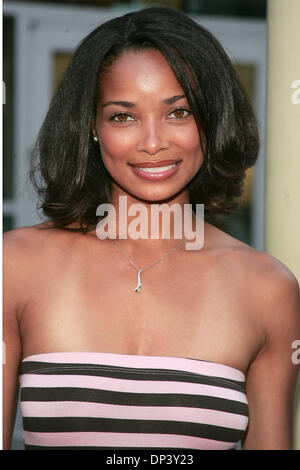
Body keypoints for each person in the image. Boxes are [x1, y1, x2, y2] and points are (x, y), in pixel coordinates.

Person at [3, 6, 300, 451]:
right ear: (92, 126)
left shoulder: (267, 289)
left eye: (178, 112)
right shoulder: (16, 266)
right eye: (123, 115)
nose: (153, 142)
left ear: (210, 120)